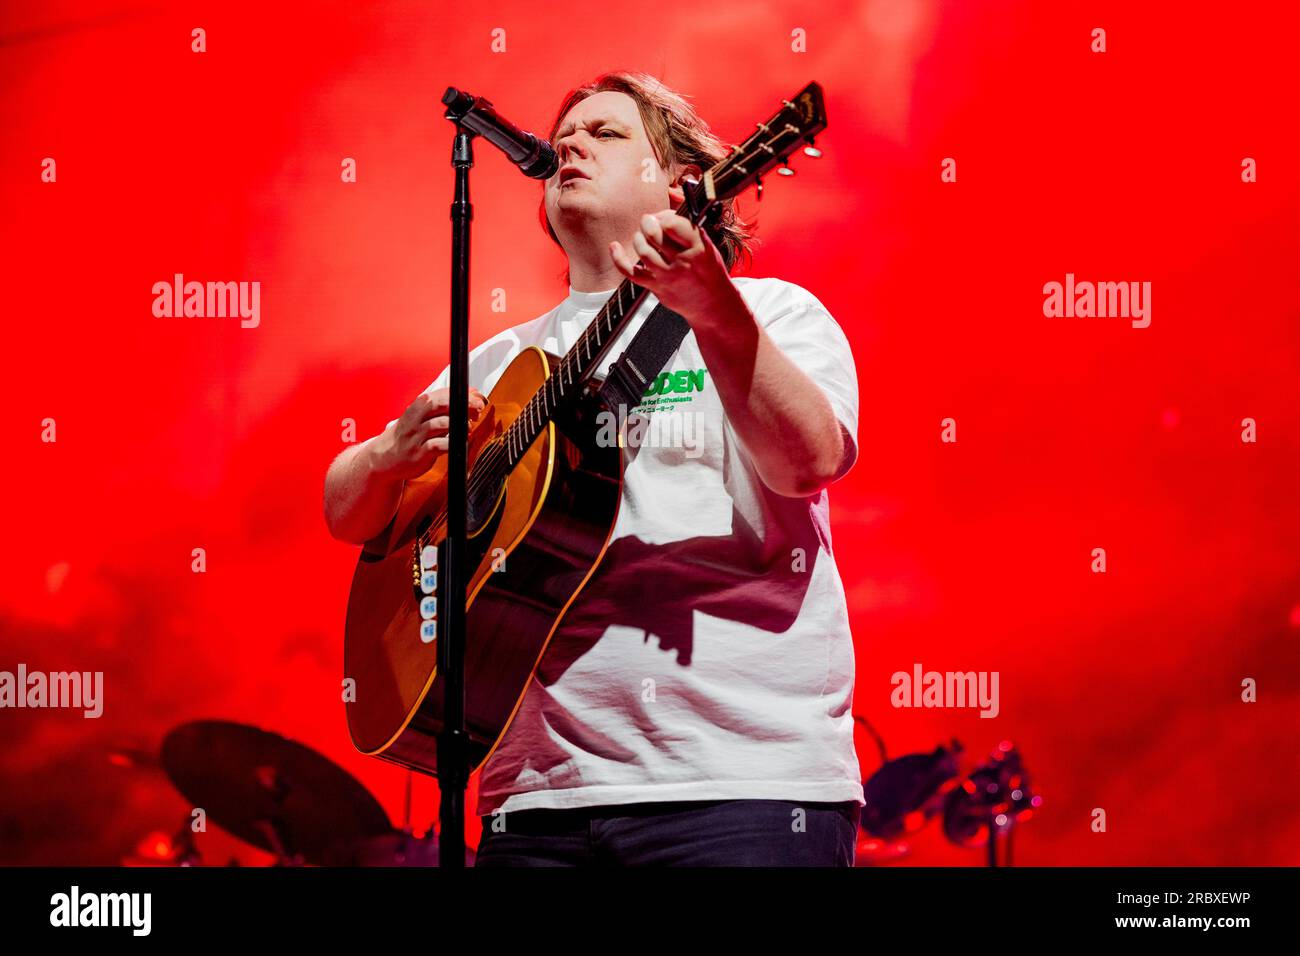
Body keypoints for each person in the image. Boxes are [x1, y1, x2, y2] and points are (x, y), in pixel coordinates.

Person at [324, 71, 863, 866]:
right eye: (566, 133)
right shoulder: (494, 364)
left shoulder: (776, 315)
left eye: (607, 133)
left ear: (685, 182)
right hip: (535, 802)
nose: (570, 142)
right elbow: (348, 513)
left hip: (739, 787)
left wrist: (713, 310)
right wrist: (387, 454)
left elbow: (808, 463)